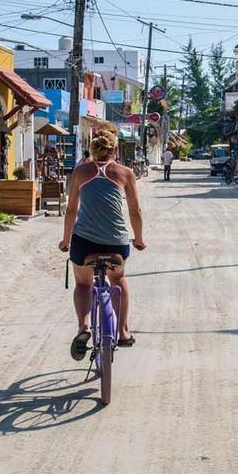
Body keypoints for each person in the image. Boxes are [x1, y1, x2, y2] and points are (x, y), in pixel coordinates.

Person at [59, 122, 147, 360]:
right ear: (115, 151)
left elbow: (71, 211)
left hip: (84, 243)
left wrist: (66, 240)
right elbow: (135, 210)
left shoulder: (80, 172)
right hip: (116, 243)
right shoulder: (125, 173)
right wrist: (138, 239)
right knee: (118, 280)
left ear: (92, 148)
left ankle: (83, 327)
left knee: (84, 284)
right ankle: (123, 331)